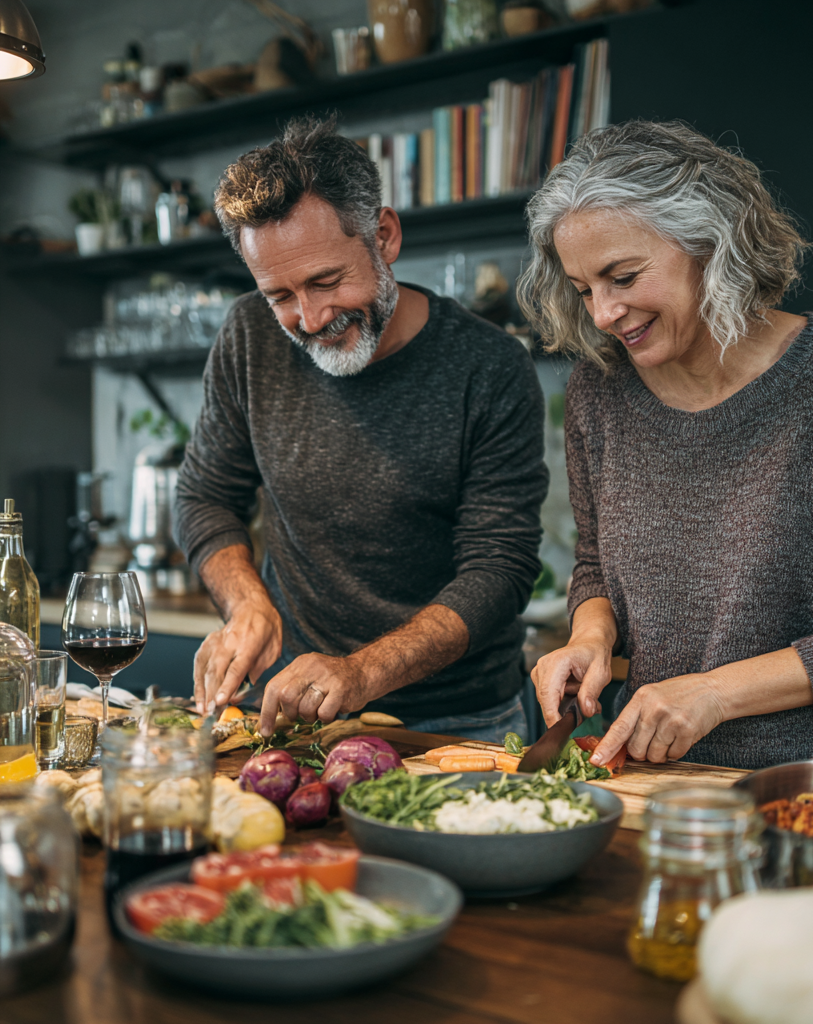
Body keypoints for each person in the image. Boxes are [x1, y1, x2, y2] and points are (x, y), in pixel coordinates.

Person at [519, 120, 813, 771]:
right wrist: (591, 634)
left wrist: (715, 695)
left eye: (624, 276)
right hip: (657, 779)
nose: (604, 314)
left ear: (711, 244)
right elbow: (597, 565)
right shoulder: (600, 390)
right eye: (585, 289)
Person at [175, 116, 548, 741]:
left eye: (327, 281)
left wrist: (361, 673)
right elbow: (204, 496)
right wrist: (247, 605)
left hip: (461, 724)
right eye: (280, 295)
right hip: (295, 714)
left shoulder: (490, 366)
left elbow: (498, 568)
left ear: (384, 234)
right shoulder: (249, 337)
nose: (311, 316)